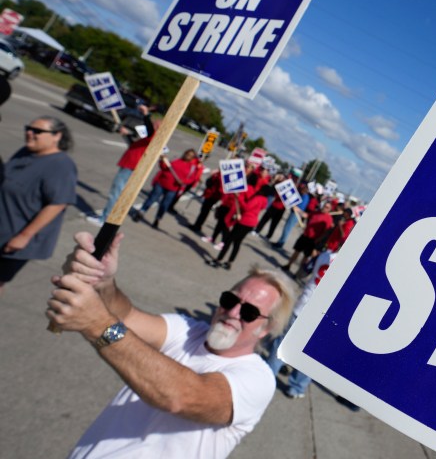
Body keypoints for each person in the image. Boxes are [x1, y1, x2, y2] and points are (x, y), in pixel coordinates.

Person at [47, 231, 299, 458]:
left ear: (266, 328)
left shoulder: (258, 378)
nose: (232, 312)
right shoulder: (189, 330)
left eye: (249, 313)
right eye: (230, 299)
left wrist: (97, 325)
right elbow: (126, 317)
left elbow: (179, 396)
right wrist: (102, 281)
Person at [0, 117, 77, 293]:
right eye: (28, 128)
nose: (29, 133)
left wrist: (24, 236)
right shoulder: (25, 152)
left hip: (15, 238)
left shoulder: (61, 165)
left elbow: (58, 203)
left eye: (37, 131)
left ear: (56, 136)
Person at [265, 244, 336, 399]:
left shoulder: (325, 255)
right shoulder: (354, 267)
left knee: (282, 345)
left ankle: (267, 377)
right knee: (309, 356)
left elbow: (303, 271)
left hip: (303, 306)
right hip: (324, 316)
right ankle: (296, 388)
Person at [87, 104, 155, 225]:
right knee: (117, 192)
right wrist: (127, 134)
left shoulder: (153, 136)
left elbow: (150, 129)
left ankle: (104, 219)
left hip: (131, 165)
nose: (155, 124)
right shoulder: (148, 139)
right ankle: (106, 217)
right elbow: (133, 146)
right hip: (129, 164)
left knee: (115, 193)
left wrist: (146, 114)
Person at [131, 149, 198, 229]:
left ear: (193, 158)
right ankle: (141, 213)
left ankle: (157, 219)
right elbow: (164, 167)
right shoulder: (175, 159)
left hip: (173, 188)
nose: (188, 156)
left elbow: (191, 179)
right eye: (187, 154)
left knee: (164, 205)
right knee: (151, 199)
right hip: (161, 183)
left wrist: (183, 181)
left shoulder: (192, 168)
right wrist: (162, 160)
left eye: (190, 155)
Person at [212, 185, 268, 270]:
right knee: (237, 242)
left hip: (244, 221)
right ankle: (229, 262)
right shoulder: (264, 200)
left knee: (229, 240)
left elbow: (246, 207)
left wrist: (239, 198)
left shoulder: (257, 198)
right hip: (251, 222)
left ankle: (218, 260)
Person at [270, 182, 310, 249]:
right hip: (294, 213)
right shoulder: (303, 195)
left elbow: (300, 209)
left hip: (295, 215)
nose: (301, 188)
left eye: (303, 187)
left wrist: (294, 206)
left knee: (287, 229)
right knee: (286, 228)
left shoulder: (305, 196)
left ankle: (280, 243)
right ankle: (280, 242)